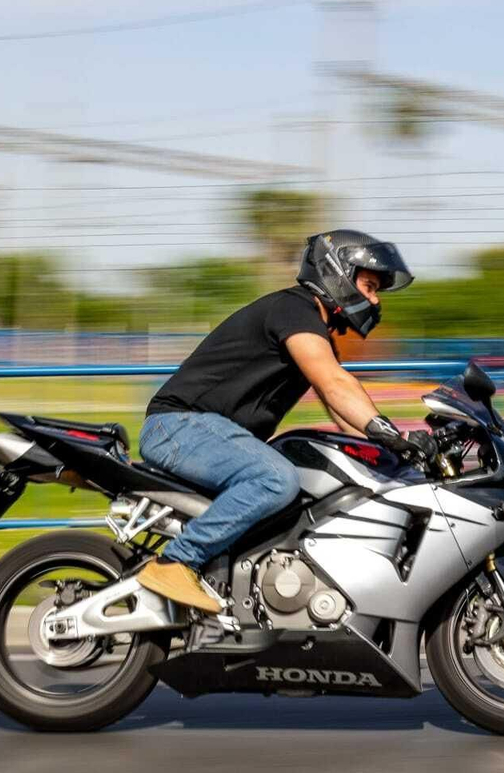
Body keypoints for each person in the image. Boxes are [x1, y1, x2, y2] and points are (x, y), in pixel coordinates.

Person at [135, 230, 429, 613]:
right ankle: (177, 562)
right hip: (179, 426)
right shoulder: (294, 310)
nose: (374, 300)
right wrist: (390, 432)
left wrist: (400, 461)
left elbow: (341, 412)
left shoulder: (314, 328)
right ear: (337, 273)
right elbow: (335, 383)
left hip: (209, 433)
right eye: (370, 286)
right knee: (275, 479)